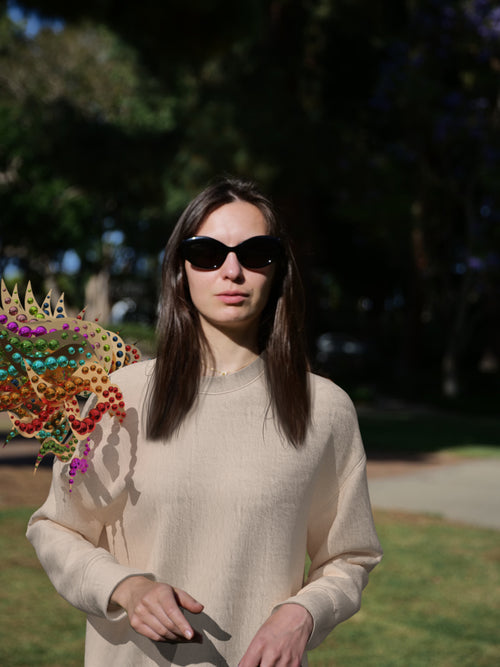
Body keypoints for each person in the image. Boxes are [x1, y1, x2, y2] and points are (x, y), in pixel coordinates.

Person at [27, 177, 383, 667]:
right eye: (207, 253)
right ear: (180, 270)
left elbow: (349, 557)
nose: (232, 270)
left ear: (278, 270)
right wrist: (124, 587)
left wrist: (303, 612)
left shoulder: (325, 408)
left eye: (256, 252)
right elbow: (56, 527)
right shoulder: (122, 396)